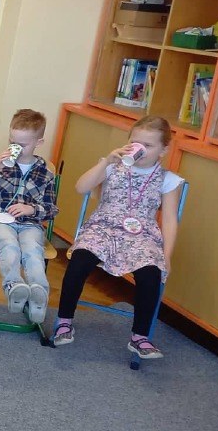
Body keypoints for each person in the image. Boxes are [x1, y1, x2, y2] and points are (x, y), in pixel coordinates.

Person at [53, 115, 182, 358]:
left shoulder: (168, 180)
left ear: (164, 149)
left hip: (141, 235)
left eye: (148, 145)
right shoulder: (113, 165)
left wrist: (166, 256)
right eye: (135, 142)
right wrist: (106, 162)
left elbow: (169, 220)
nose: (140, 149)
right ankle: (64, 321)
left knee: (151, 273)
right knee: (80, 260)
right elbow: (81, 188)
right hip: (103, 227)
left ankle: (140, 337)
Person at [0, 108, 59, 324]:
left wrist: (31, 209)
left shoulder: (45, 173)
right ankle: (14, 286)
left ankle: (38, 293)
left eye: (23, 144)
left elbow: (51, 209)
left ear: (39, 142)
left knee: (33, 250)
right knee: (8, 245)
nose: (16, 148)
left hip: (29, 224)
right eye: (12, 142)